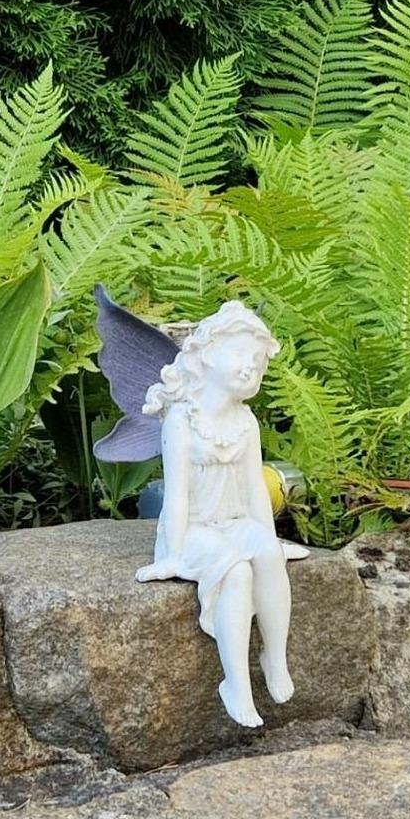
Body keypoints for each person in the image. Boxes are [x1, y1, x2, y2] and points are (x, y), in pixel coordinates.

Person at [135, 301, 308, 727]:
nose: (250, 367)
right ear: (209, 354)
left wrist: (270, 538)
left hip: (234, 522)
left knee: (266, 553)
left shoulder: (246, 422)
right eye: (240, 355)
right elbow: (177, 494)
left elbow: (254, 490)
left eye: (258, 362)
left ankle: (275, 658)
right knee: (236, 571)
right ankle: (236, 684)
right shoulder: (182, 420)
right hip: (193, 529)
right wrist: (172, 556)